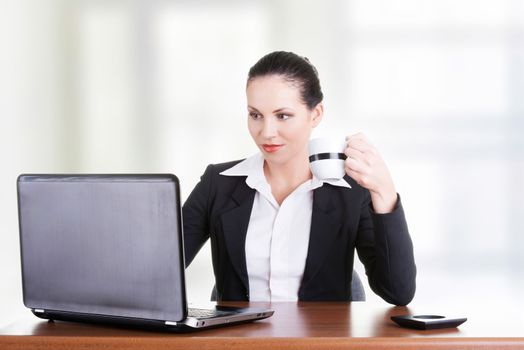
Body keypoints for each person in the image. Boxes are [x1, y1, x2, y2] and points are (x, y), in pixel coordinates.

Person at [182, 51, 416, 305]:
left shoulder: (350, 192)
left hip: (319, 342)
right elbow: (161, 269)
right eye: (255, 115)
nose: (267, 132)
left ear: (315, 114)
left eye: (283, 115)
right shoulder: (218, 183)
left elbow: (398, 292)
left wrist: (384, 192)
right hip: (238, 342)